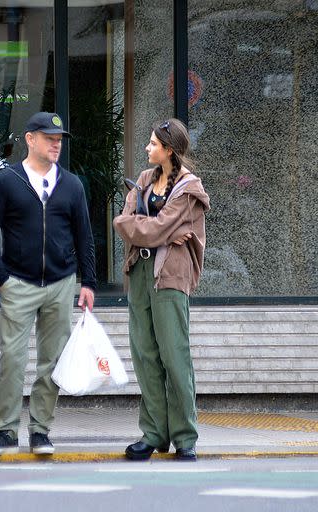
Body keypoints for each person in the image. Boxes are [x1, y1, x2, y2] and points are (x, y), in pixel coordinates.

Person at [0, 112, 96, 456]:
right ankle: (5, 431)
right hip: (18, 283)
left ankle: (41, 431)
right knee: (12, 357)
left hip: (61, 283)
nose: (56, 144)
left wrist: (87, 281)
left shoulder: (72, 184)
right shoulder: (7, 181)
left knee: (53, 360)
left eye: (59, 139)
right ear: (30, 139)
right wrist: (0, 279)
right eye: (49, 138)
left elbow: (84, 237)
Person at [113, 118, 210, 462]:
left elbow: (157, 226)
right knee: (144, 355)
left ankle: (185, 437)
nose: (146, 148)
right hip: (140, 272)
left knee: (174, 356)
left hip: (170, 276)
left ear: (169, 150)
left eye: (153, 143)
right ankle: (153, 433)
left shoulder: (188, 189)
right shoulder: (143, 180)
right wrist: (163, 233)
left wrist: (156, 231)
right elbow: (123, 223)